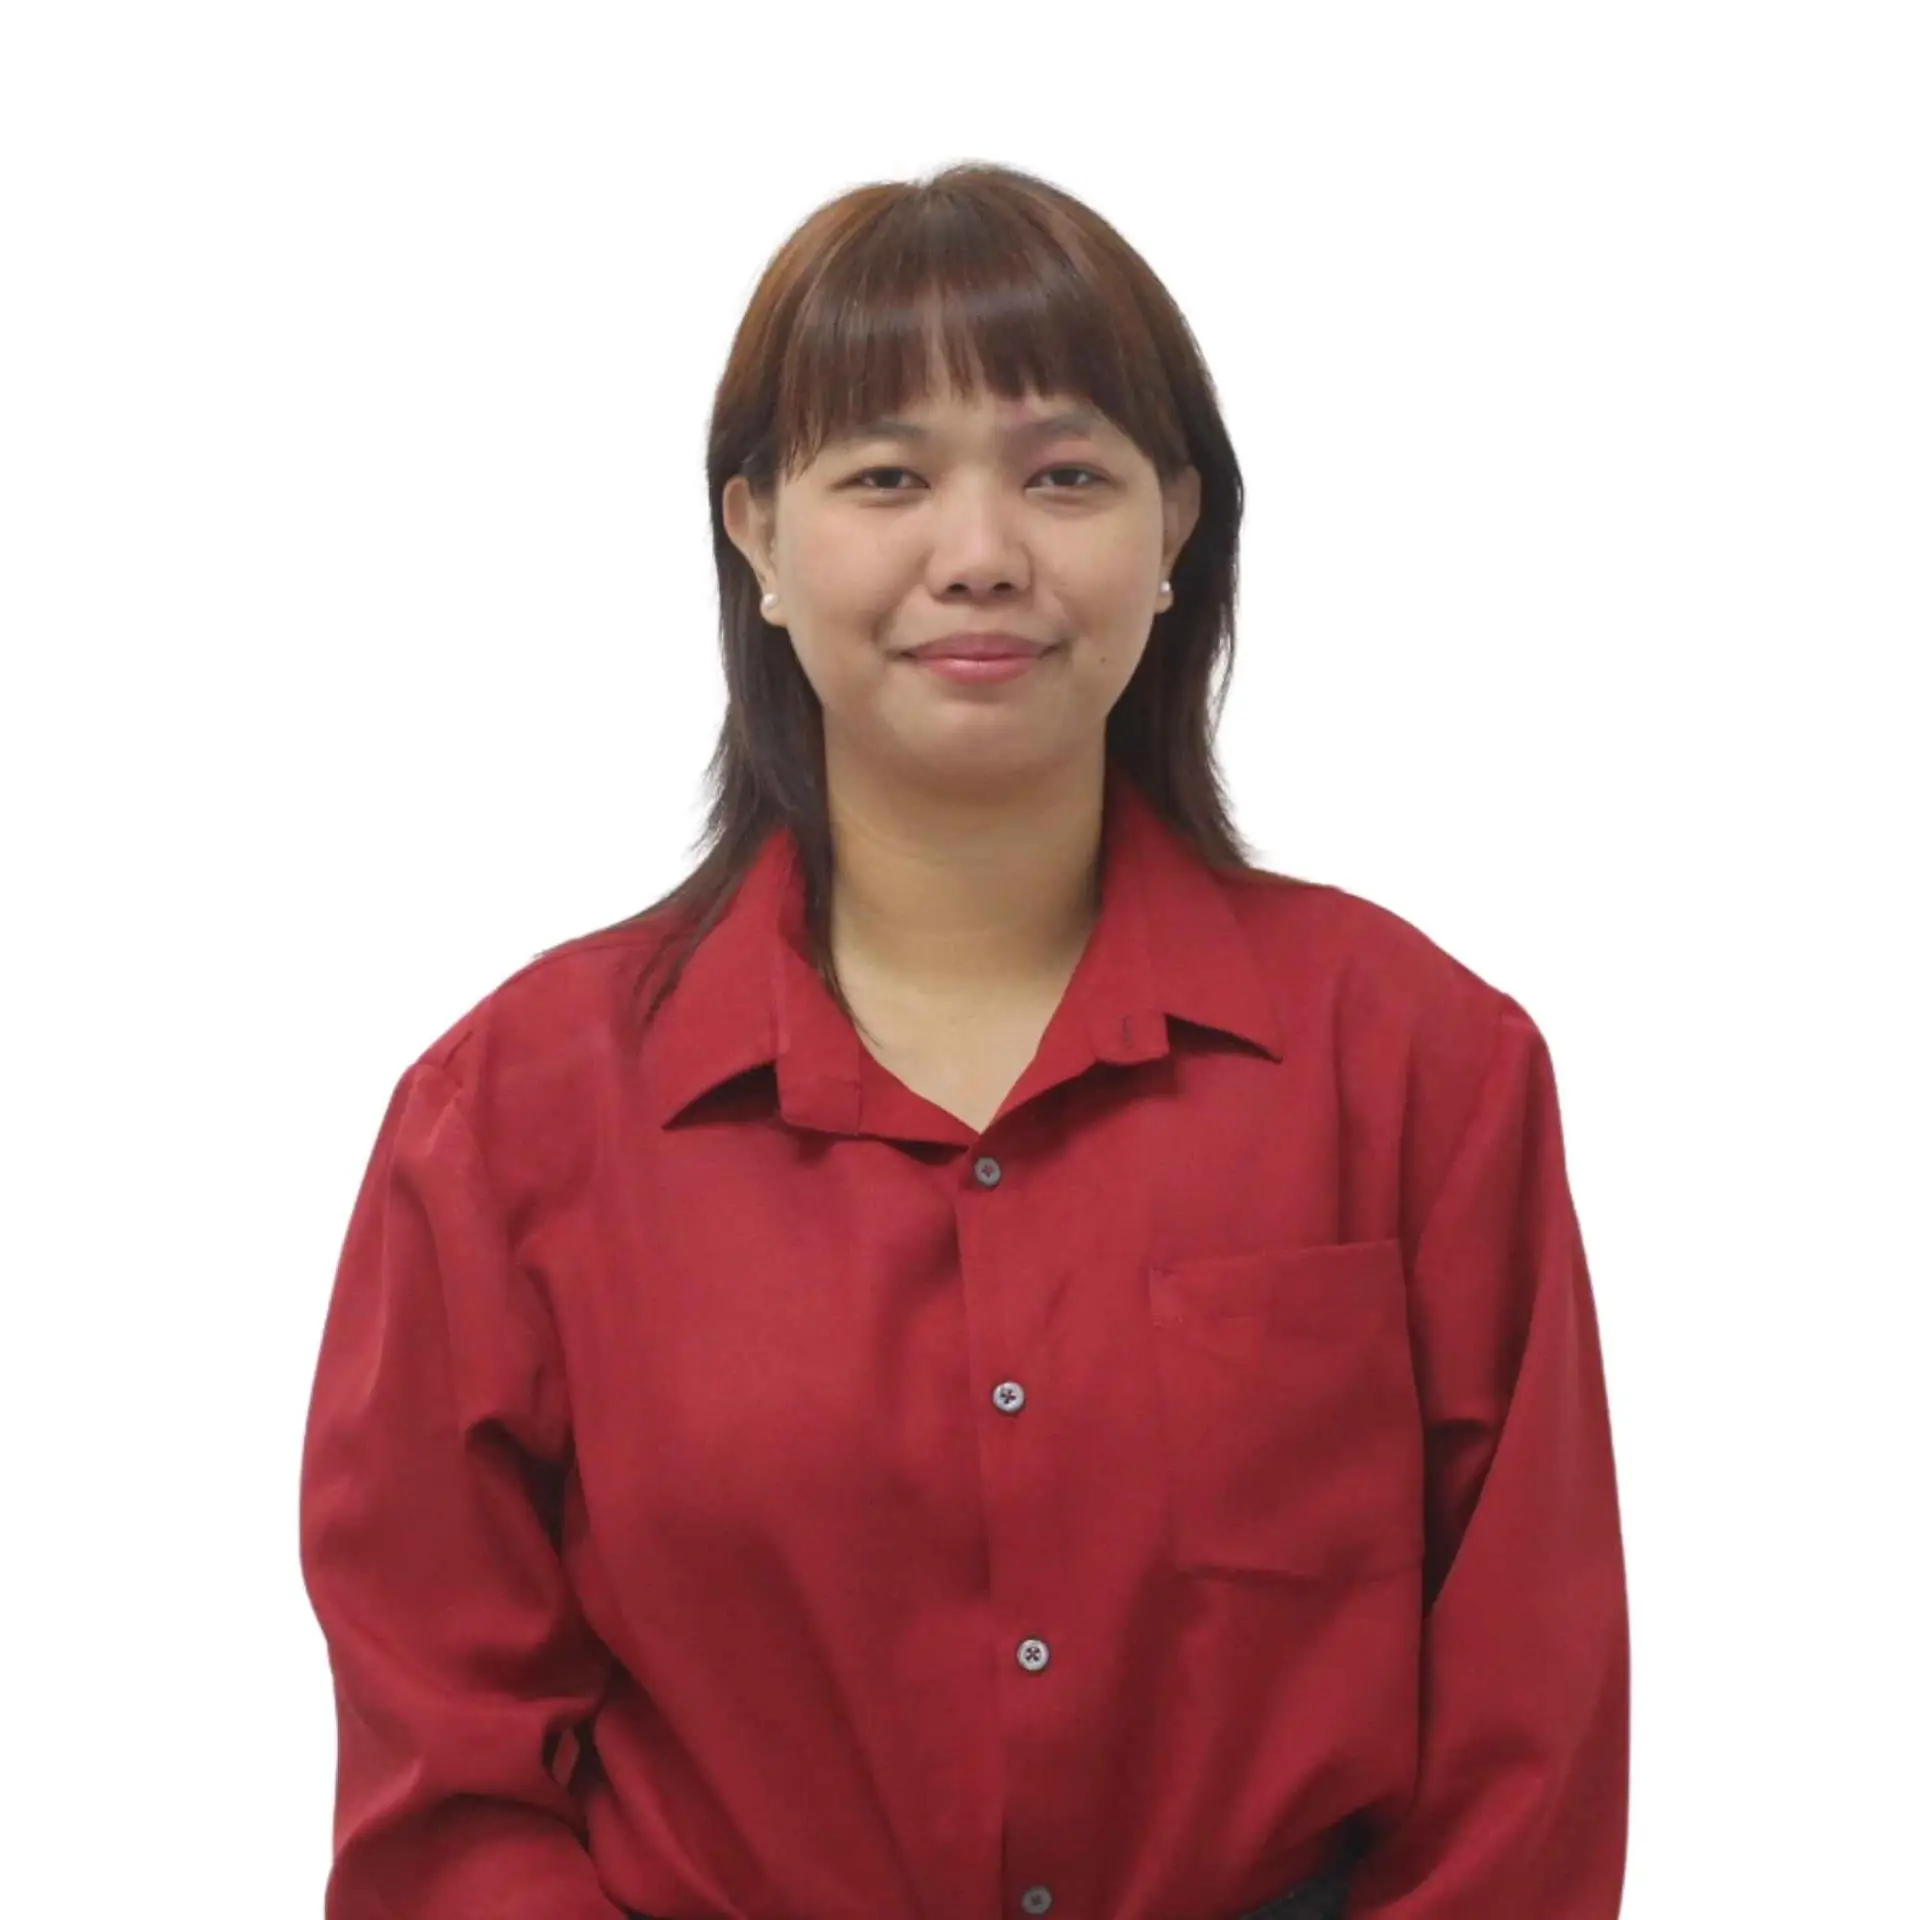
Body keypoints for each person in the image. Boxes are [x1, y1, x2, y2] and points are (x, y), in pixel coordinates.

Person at [299, 161, 1630, 1920]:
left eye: (1065, 473)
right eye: (889, 476)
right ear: (759, 536)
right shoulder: (512, 1123)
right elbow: (447, 1791)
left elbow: (1527, 1753)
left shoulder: (1419, 1073)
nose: (983, 551)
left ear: (1177, 530)